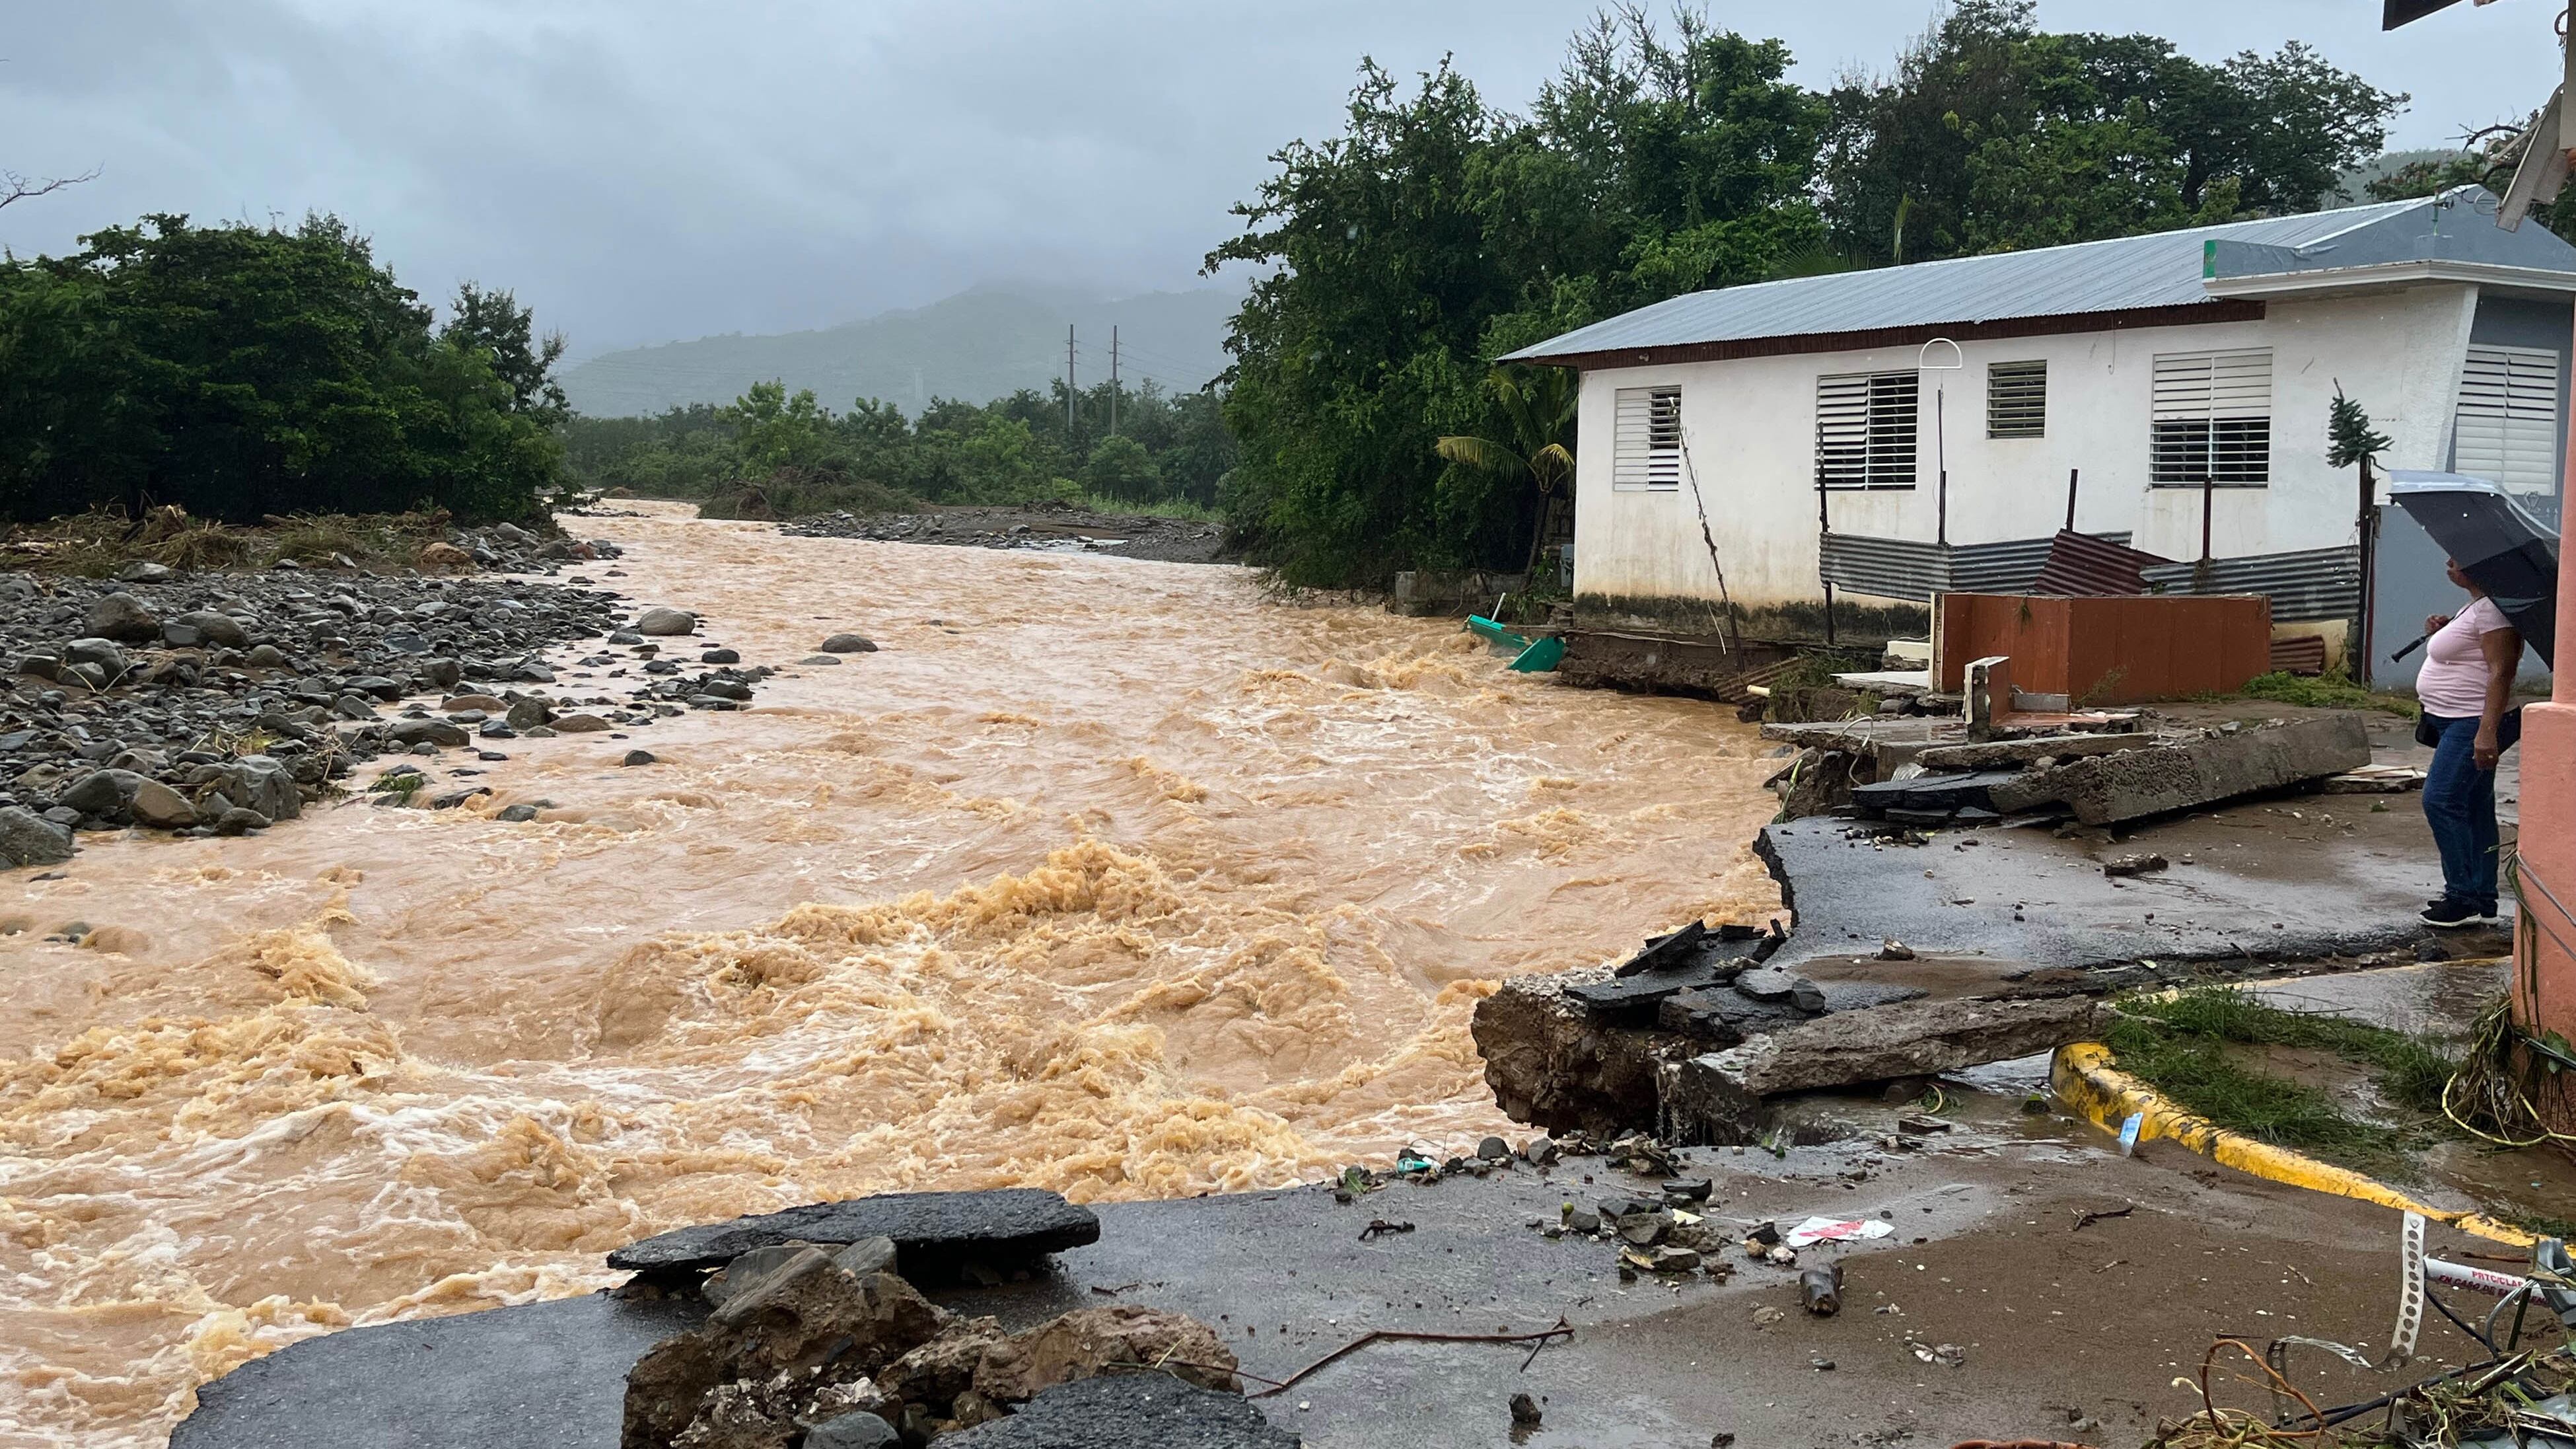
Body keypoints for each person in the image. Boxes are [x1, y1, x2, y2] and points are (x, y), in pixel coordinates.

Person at [2414, 558, 2524, 928]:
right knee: (2475, 805)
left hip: (2473, 722)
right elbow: (2472, 653)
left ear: (2481, 566)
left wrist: (2487, 731)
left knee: (2441, 799)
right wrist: (2445, 631)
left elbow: (2502, 671)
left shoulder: (2493, 610)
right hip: (2455, 721)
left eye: (2457, 557)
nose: (2448, 562)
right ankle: (2482, 898)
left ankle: (2462, 897)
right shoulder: (2478, 606)